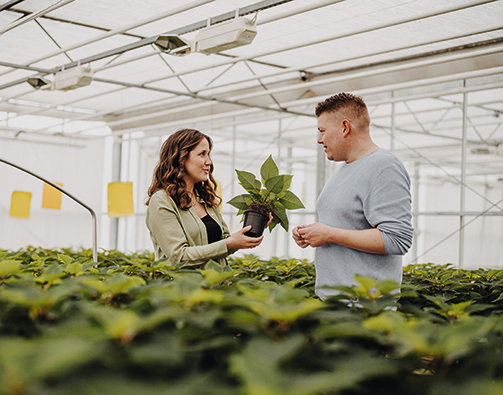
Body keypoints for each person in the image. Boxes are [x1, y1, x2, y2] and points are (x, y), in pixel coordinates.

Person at [292, 92, 413, 300]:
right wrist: (314, 233)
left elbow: (397, 239)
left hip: (363, 306)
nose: (319, 140)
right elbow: (346, 224)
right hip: (336, 303)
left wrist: (329, 234)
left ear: (345, 128)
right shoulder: (344, 169)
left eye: (322, 131)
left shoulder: (384, 167)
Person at [146, 128, 266, 269]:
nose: (209, 162)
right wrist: (228, 244)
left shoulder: (206, 199)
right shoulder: (162, 200)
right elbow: (178, 256)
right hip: (182, 289)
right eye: (202, 154)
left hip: (215, 285)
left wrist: (249, 233)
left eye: (208, 154)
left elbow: (224, 245)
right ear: (181, 158)